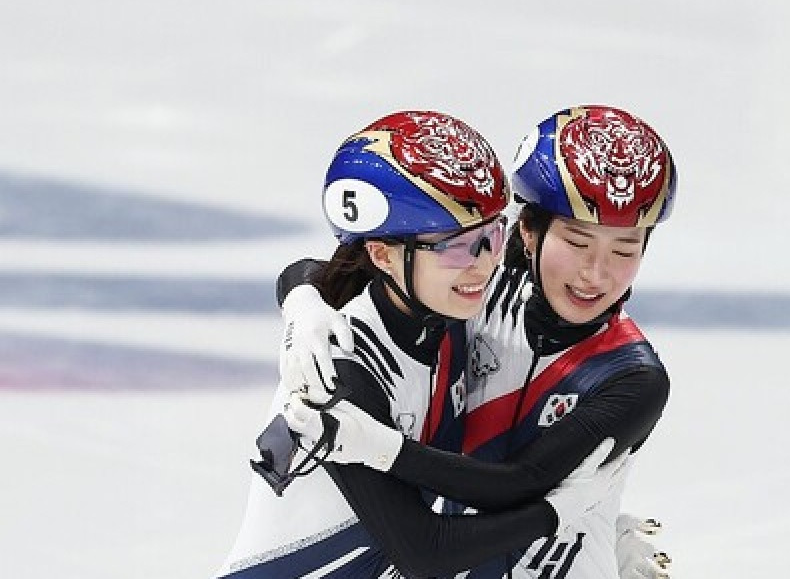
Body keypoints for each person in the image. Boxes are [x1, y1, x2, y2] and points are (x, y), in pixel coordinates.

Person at [216, 110, 628, 579]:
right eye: (454, 247)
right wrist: (558, 515)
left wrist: (595, 533)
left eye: (490, 236)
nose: (484, 265)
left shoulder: (445, 313)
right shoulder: (341, 376)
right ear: (382, 254)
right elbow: (426, 554)